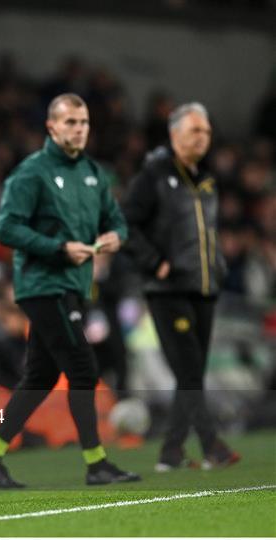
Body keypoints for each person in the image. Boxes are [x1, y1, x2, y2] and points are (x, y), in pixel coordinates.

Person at [0, 93, 141, 488]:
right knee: (83, 368)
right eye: (70, 123)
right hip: (43, 285)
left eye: (83, 123)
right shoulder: (31, 173)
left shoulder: (95, 174)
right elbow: (8, 228)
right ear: (51, 127)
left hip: (75, 286)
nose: (78, 130)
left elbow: (117, 220)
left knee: (40, 377)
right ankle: (97, 463)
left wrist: (117, 236)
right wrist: (59, 248)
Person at [123, 102, 240, 471]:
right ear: (174, 135)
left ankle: (170, 452)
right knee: (189, 371)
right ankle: (211, 445)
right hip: (168, 291)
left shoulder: (204, 178)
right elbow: (127, 224)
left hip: (204, 288)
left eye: (205, 131)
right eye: (194, 131)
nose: (202, 138)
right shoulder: (154, 176)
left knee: (190, 374)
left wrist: (217, 266)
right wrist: (155, 262)